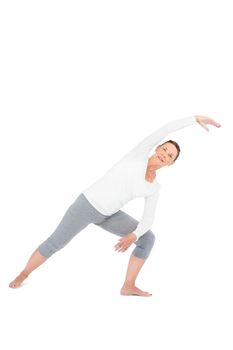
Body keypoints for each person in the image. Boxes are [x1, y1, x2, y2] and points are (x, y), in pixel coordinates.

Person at [9, 115, 221, 296]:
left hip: (108, 215)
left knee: (147, 238)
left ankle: (128, 286)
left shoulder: (153, 187)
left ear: (171, 163)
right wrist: (195, 119)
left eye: (170, 156)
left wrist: (133, 235)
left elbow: (148, 220)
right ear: (158, 148)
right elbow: (165, 129)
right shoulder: (137, 156)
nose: (165, 154)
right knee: (56, 242)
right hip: (87, 204)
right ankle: (24, 273)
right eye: (164, 149)